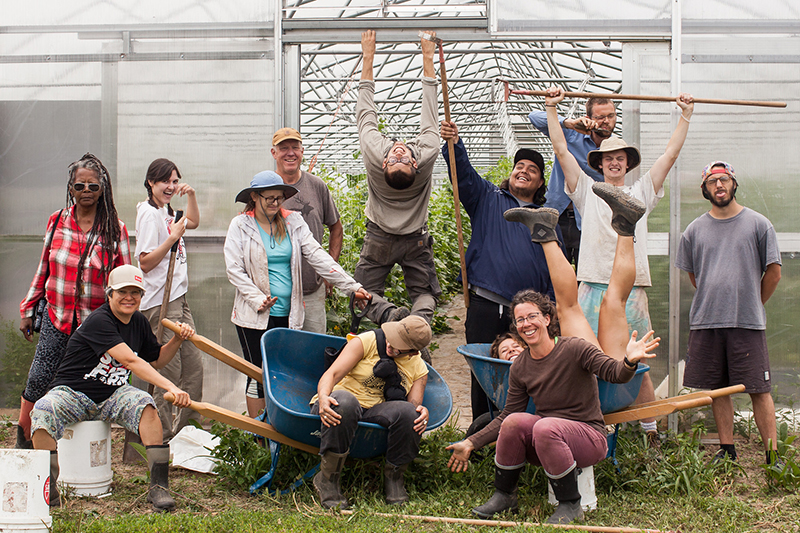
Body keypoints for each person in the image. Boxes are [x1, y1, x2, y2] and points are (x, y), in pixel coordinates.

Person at [446, 185, 658, 525]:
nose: (526, 325)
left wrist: (630, 360)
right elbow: (507, 417)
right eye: (520, 320)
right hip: (555, 427)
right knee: (574, 304)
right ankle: (545, 231)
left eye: (533, 317)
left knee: (612, 300)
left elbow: (616, 374)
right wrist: (471, 442)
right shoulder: (525, 365)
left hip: (596, 406)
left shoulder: (571, 348)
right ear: (514, 328)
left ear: (546, 321)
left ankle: (625, 227)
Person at [544, 86, 695, 445]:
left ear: (628, 163)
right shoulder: (587, 191)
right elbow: (562, 151)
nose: (614, 162)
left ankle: (649, 432)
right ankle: (598, 427)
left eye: (620, 158)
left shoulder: (641, 192)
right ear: (598, 164)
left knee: (637, 360)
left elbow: (670, 156)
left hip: (632, 289)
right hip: (593, 284)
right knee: (587, 359)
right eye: (607, 158)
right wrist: (552, 109)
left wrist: (685, 115)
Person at [29, 265, 194, 511]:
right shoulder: (100, 320)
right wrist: (171, 386)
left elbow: (157, 359)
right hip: (73, 393)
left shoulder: (138, 321)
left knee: (146, 406)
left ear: (141, 295)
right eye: (122, 292)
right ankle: (48, 488)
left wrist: (177, 339)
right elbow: (130, 360)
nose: (129, 297)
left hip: (112, 394)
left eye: (135, 292)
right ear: (110, 295)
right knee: (42, 411)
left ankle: (159, 488)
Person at [439, 119, 562, 422]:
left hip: (527, 315)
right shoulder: (489, 198)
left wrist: (551, 310)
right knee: (483, 371)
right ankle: (483, 431)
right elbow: (463, 175)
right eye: (519, 166)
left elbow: (552, 269)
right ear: (511, 173)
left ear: (540, 184)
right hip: (485, 304)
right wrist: (455, 144)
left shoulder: (545, 219)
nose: (523, 171)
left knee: (526, 372)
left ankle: (517, 429)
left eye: (532, 170)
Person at [224, 171, 371, 418]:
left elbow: (317, 255)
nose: (274, 203)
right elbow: (234, 268)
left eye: (279, 198)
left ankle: (281, 425)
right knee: (257, 374)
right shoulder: (241, 225)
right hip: (254, 315)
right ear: (254, 197)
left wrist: (351, 286)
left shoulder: (292, 222)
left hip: (288, 313)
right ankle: (260, 432)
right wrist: (257, 298)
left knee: (282, 372)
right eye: (268, 198)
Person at [17, 153, 130, 449]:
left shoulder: (114, 229)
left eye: (93, 187)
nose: (86, 193)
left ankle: (82, 445)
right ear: (70, 188)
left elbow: (124, 281)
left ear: (102, 189)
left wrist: (124, 324)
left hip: (96, 326)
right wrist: (29, 307)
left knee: (96, 384)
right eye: (80, 186)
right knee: (40, 378)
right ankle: (24, 438)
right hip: (59, 317)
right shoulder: (56, 222)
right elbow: (44, 267)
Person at [676, 161, 782, 467]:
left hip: (746, 323)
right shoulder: (694, 230)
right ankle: (727, 450)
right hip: (707, 321)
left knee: (758, 389)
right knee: (718, 388)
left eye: (723, 180)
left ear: (733, 183)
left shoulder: (758, 224)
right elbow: (695, 276)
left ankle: (772, 455)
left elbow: (773, 273)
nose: (718, 186)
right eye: (712, 182)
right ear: (705, 189)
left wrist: (752, 302)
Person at [354, 29, 441, 326]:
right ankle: (416, 325)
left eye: (395, 160)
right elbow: (430, 112)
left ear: (383, 163)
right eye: (402, 160)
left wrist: (369, 56)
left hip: (379, 235)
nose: (399, 154)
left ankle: (389, 315)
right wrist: (427, 56)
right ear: (416, 165)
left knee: (363, 292)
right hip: (416, 239)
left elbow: (366, 111)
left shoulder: (374, 150)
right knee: (425, 291)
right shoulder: (427, 152)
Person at [311, 315, 431, 509]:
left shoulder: (419, 367)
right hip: (340, 402)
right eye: (392, 338)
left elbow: (414, 405)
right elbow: (331, 374)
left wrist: (422, 411)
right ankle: (327, 479)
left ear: (413, 352)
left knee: (412, 415)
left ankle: (394, 479)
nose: (391, 345)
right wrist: (324, 396)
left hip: (375, 409)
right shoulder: (366, 341)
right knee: (346, 403)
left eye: (399, 347)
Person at [135, 158, 203, 443]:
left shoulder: (169, 211)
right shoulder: (149, 214)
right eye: (166, 181)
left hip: (178, 297)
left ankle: (190, 432)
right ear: (151, 182)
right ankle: (160, 438)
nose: (171, 186)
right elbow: (146, 262)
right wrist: (171, 237)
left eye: (175, 181)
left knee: (194, 365)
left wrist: (191, 196)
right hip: (159, 303)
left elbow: (194, 222)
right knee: (169, 372)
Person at [271, 127, 344, 334]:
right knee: (280, 347)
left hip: (311, 288)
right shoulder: (265, 188)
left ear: (302, 151)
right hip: (275, 292)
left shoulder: (316, 186)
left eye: (295, 147)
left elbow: (336, 227)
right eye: (283, 148)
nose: (290, 153)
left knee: (312, 346)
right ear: (273, 153)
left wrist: (329, 269)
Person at [529, 96, 616, 267]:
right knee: (553, 270)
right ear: (589, 118)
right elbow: (534, 117)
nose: (606, 121)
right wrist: (568, 123)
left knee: (587, 271)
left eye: (611, 116)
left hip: (589, 220)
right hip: (557, 216)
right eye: (600, 117)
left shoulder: (615, 150)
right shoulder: (571, 135)